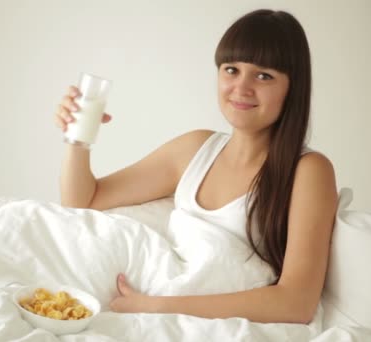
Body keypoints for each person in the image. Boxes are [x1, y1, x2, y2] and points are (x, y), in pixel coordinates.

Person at [53, 9, 337, 324]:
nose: (241, 87)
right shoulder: (194, 149)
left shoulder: (309, 171)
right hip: (153, 299)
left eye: (263, 75)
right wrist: (77, 138)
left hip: (190, 316)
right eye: (231, 69)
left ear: (292, 87)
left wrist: (157, 306)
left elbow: (296, 303)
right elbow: (82, 202)